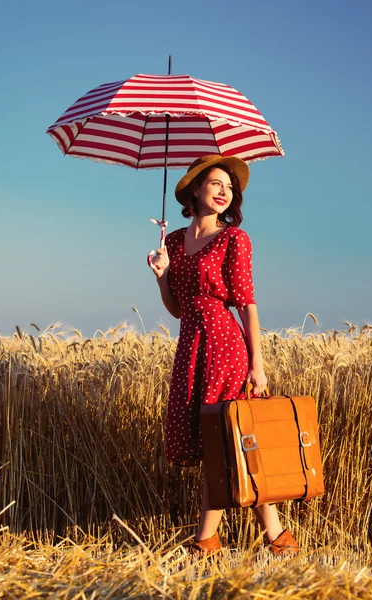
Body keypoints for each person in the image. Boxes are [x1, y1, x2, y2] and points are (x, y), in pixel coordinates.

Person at [149, 154, 298, 556]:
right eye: (216, 184)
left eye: (229, 188)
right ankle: (278, 539)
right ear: (195, 188)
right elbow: (179, 308)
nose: (223, 192)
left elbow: (247, 304)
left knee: (227, 438)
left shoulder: (234, 239)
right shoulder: (175, 242)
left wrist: (258, 364)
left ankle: (205, 542)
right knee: (228, 442)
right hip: (190, 346)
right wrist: (162, 277)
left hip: (224, 345)